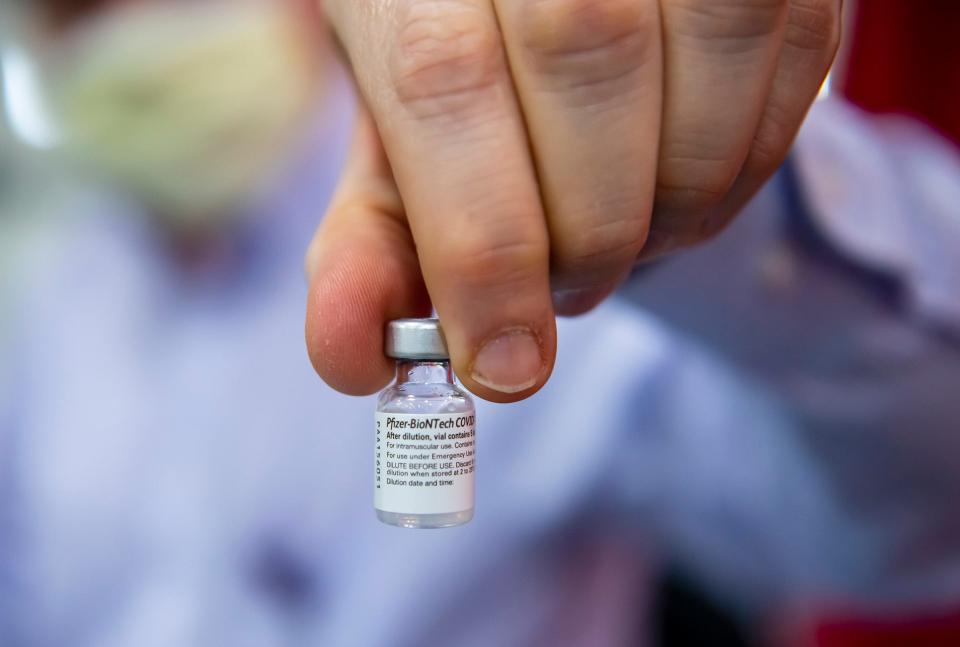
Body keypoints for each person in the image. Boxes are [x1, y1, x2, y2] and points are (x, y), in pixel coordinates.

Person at [3, 1, 958, 646]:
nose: (132, 28)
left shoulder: (518, 227)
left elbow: (917, 525)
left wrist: (688, 204)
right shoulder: (52, 308)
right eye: (78, 11)